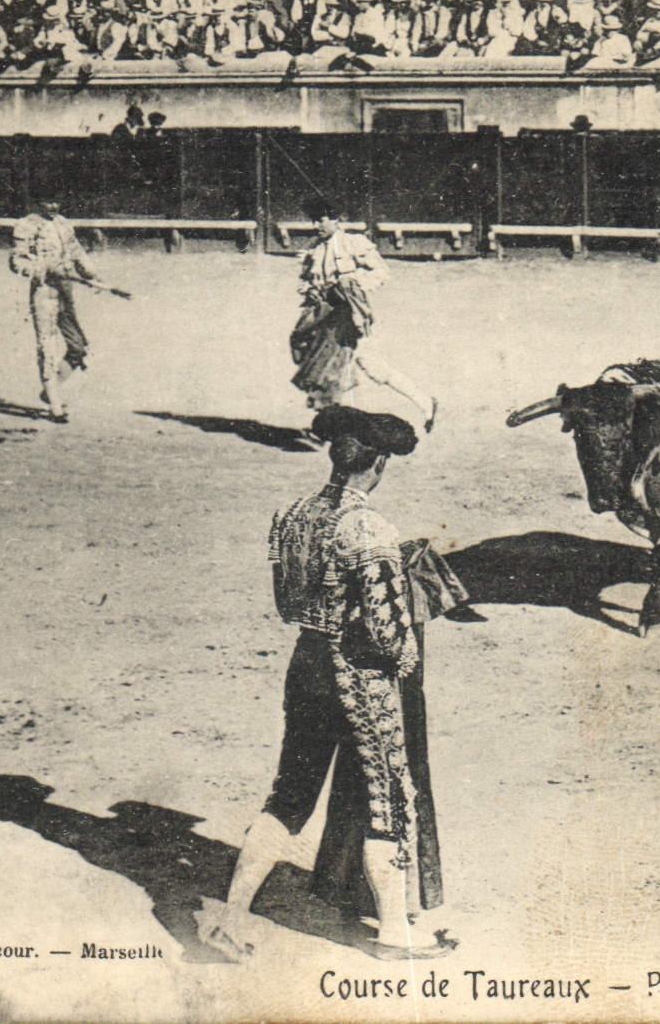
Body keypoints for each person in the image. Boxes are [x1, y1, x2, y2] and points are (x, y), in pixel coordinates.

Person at [198, 405, 455, 962]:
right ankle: (394, 931)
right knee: (386, 796)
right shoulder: (369, 527)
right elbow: (387, 633)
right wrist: (407, 652)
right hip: (359, 678)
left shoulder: (290, 516)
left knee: (290, 792)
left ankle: (231, 914)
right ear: (379, 463)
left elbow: (286, 602)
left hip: (307, 663)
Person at [289, 204, 437, 431]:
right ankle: (328, 420)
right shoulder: (315, 250)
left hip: (349, 317)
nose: (316, 225)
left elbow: (381, 272)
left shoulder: (352, 243)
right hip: (325, 320)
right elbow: (305, 282)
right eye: (314, 220)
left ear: (336, 219)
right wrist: (311, 290)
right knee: (327, 363)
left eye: (321, 219)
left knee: (364, 367)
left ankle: (424, 402)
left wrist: (351, 284)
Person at [10, 194, 96, 422]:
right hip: (44, 291)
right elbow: (17, 261)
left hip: (66, 290)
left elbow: (77, 253)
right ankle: (55, 404)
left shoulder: (63, 223)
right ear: (38, 202)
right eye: (48, 201)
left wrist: (92, 275)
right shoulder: (26, 225)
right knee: (46, 346)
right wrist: (44, 269)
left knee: (78, 346)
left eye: (57, 201)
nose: (53, 206)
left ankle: (50, 391)